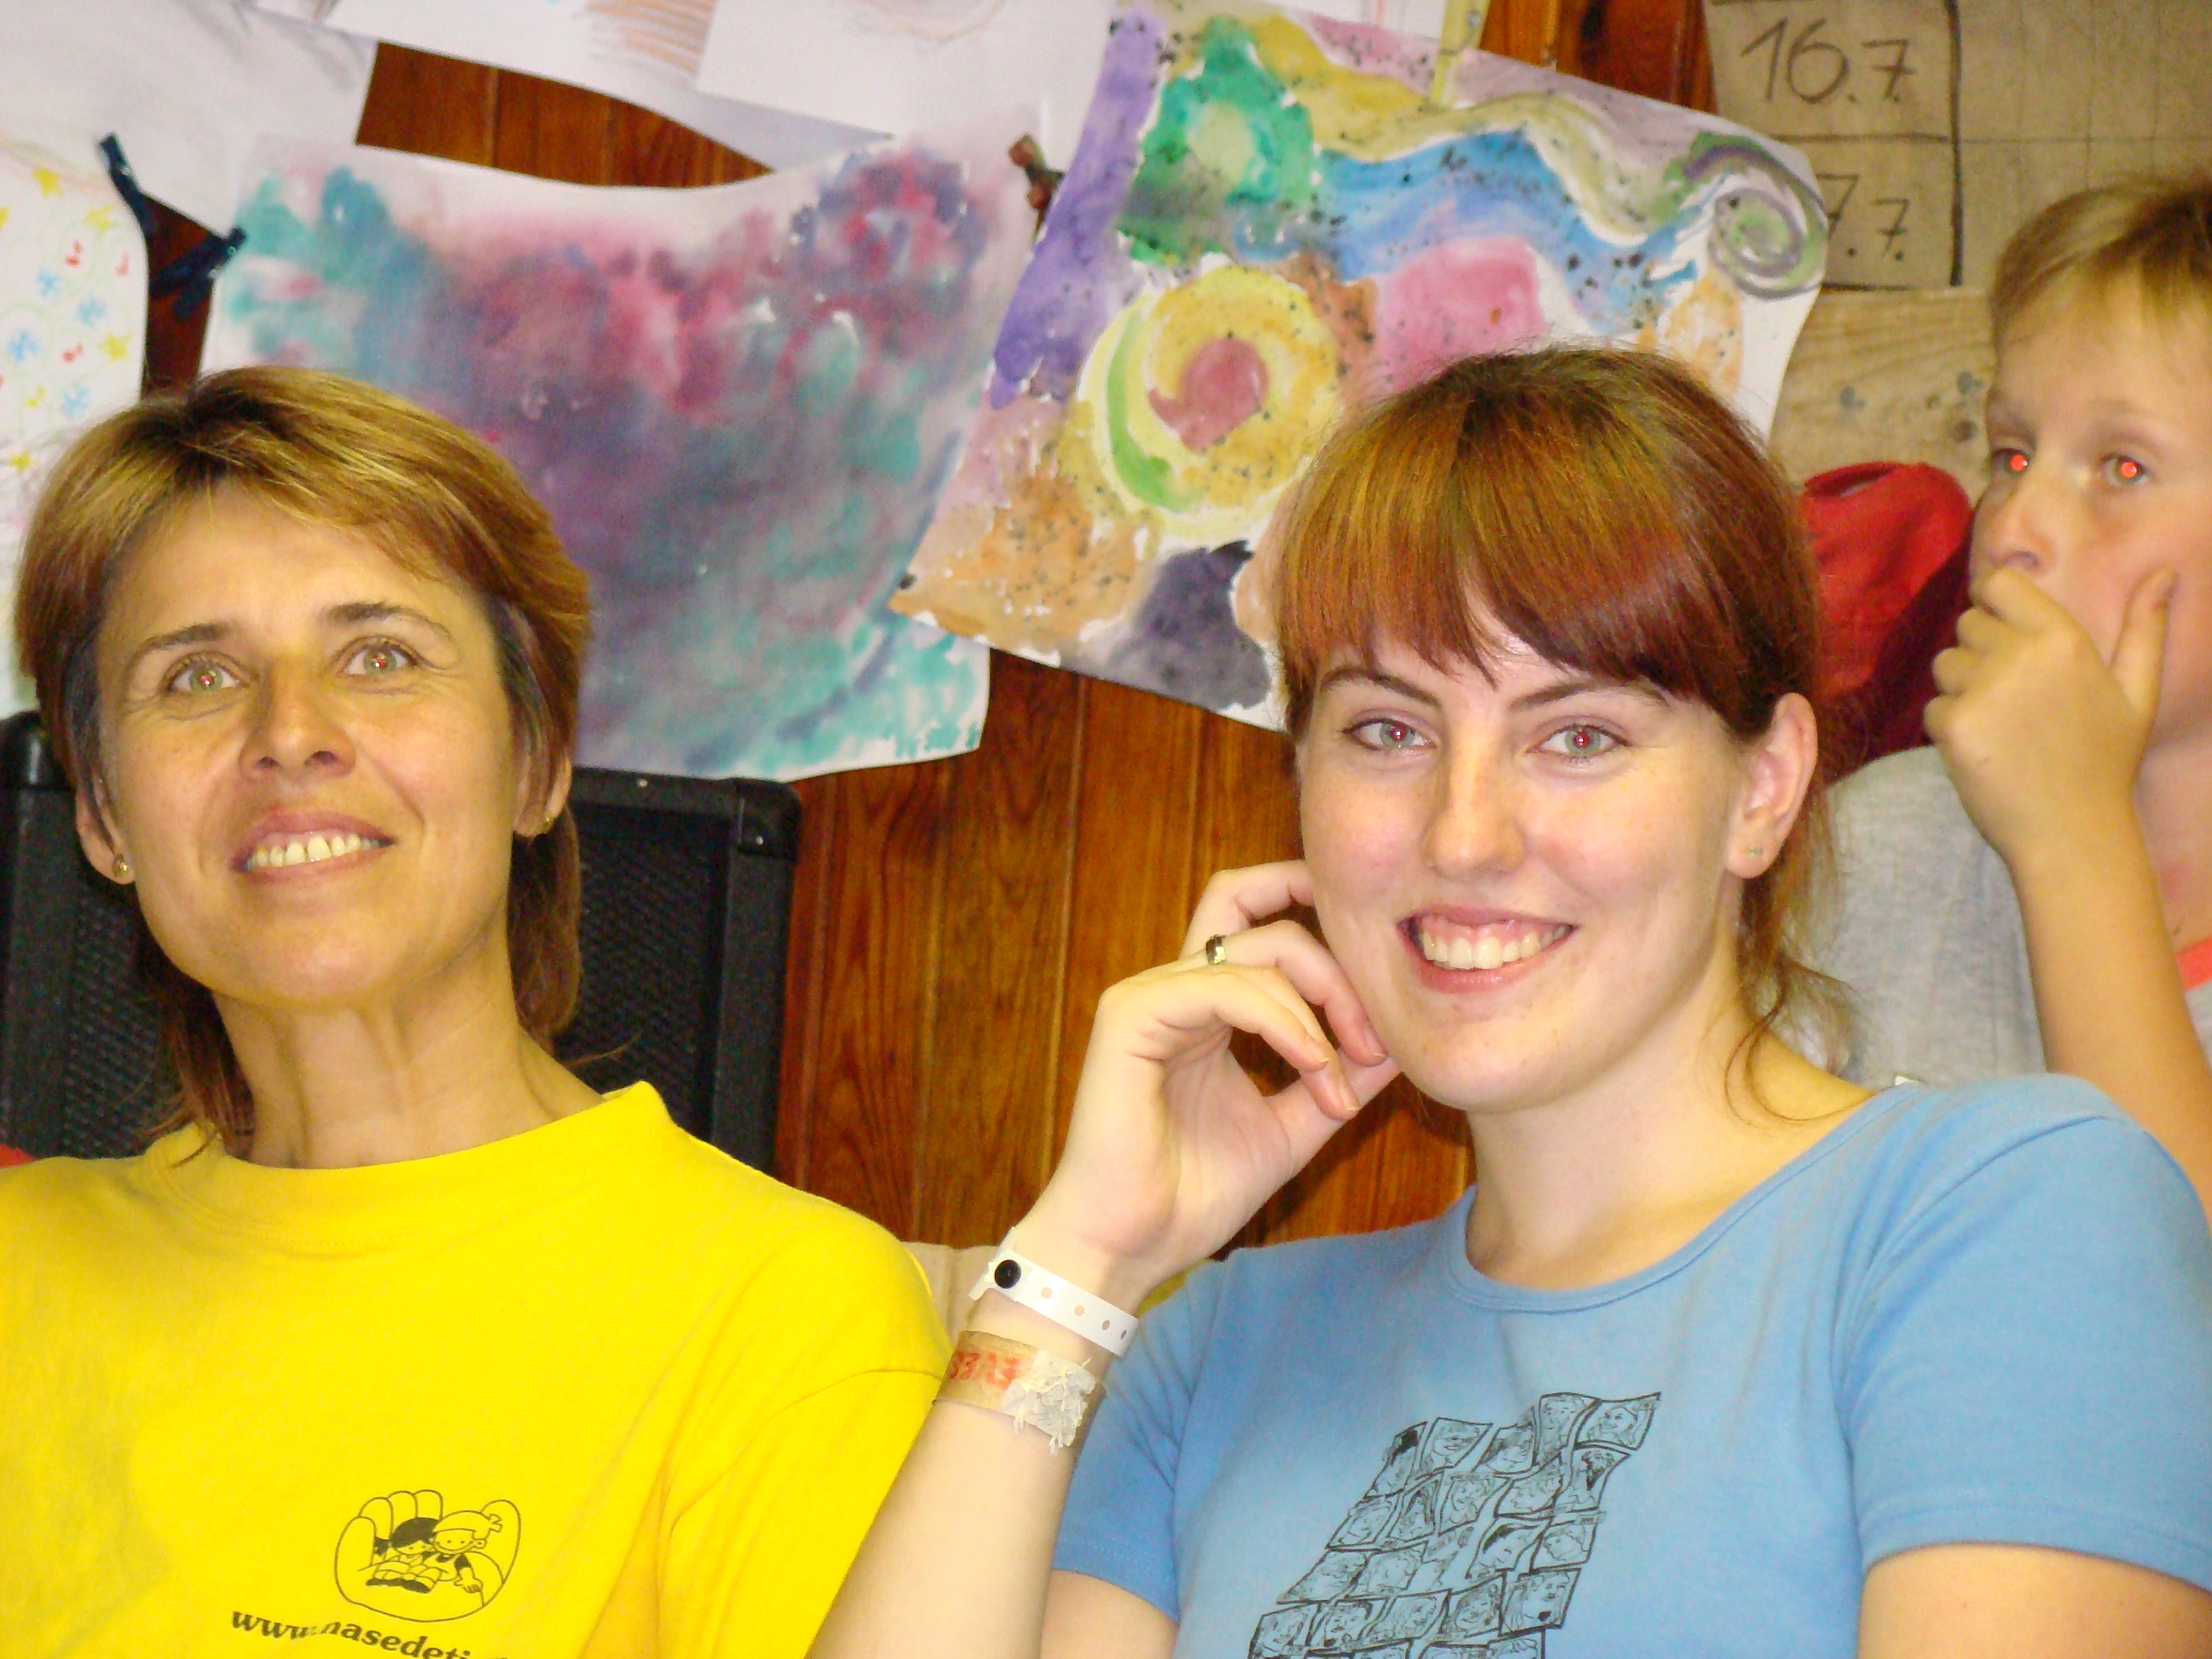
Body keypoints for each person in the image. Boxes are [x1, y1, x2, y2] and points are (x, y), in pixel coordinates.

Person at [811, 346, 2212, 1659]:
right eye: (1387, 730)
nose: (1464, 833)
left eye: (1578, 735)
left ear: (1765, 786)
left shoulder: (1999, 1215)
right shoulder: (1219, 1345)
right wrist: (1079, 1266)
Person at [0, 368, 944, 1656]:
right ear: (106, 817)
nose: (291, 733)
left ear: (538, 761)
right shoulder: (22, 1267)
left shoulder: (786, 1312)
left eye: (379, 656)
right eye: (199, 676)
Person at [1818, 177, 2212, 1217]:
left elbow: (2164, 1280)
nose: (2011, 526)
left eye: (2121, 467)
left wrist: (2073, 834)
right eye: (2013, 453)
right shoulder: (1870, 846)